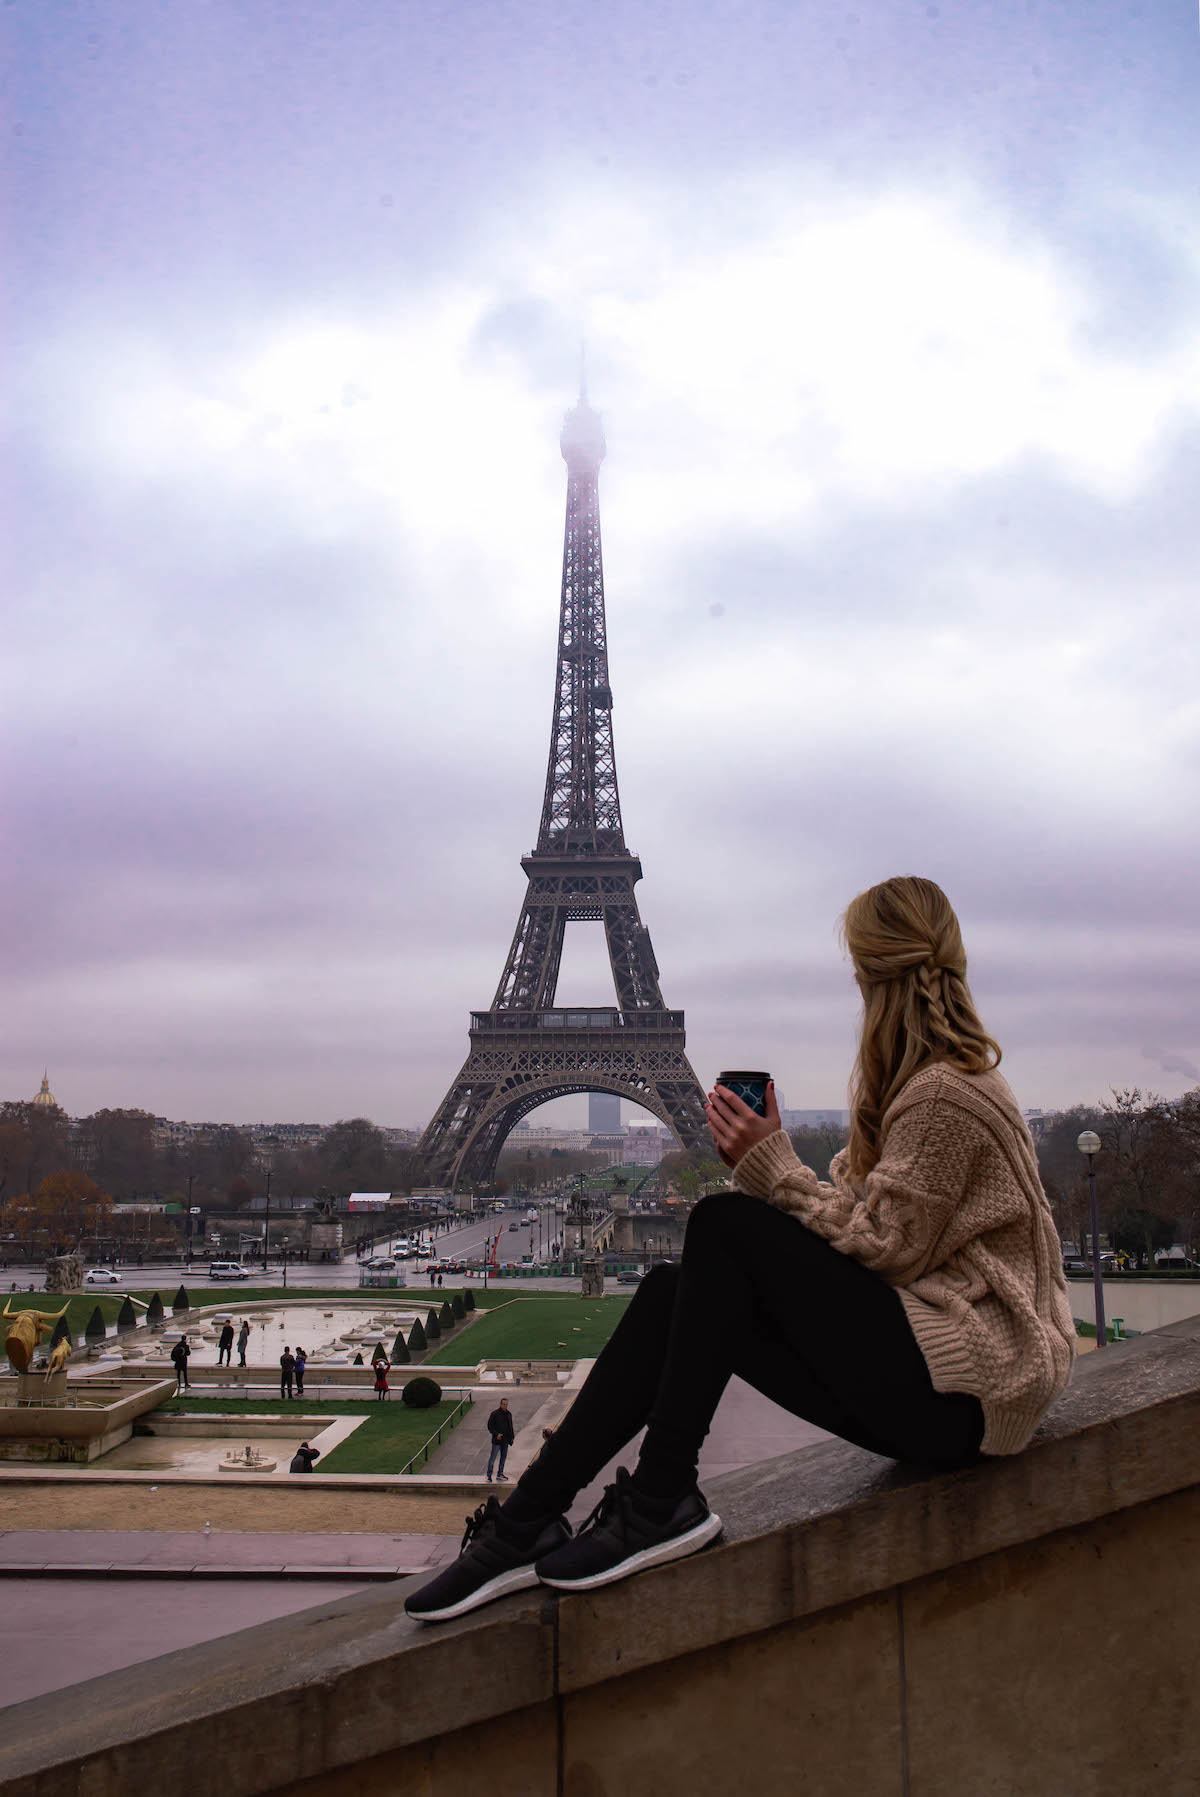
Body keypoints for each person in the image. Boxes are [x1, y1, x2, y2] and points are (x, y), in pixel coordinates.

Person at [405, 876, 1076, 1624]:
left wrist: (772, 1167)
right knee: (670, 1291)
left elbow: (885, 1250)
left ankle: (661, 1496)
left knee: (724, 1223)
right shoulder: (918, 1087)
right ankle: (530, 1517)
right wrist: (779, 1162)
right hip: (942, 1388)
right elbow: (868, 1226)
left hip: (967, 1394)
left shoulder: (945, 1092)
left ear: (870, 972)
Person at [485, 1397, 515, 1482]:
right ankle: (489, 1475)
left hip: (505, 1440)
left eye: (506, 1404)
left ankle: (500, 1473)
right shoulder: (495, 1414)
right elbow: (490, 1426)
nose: (505, 1406)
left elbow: (510, 1426)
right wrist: (496, 1434)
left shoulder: (509, 1414)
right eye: (503, 1404)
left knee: (503, 1457)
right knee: (493, 1458)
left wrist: (512, 1437)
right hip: (497, 1441)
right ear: (500, 1404)